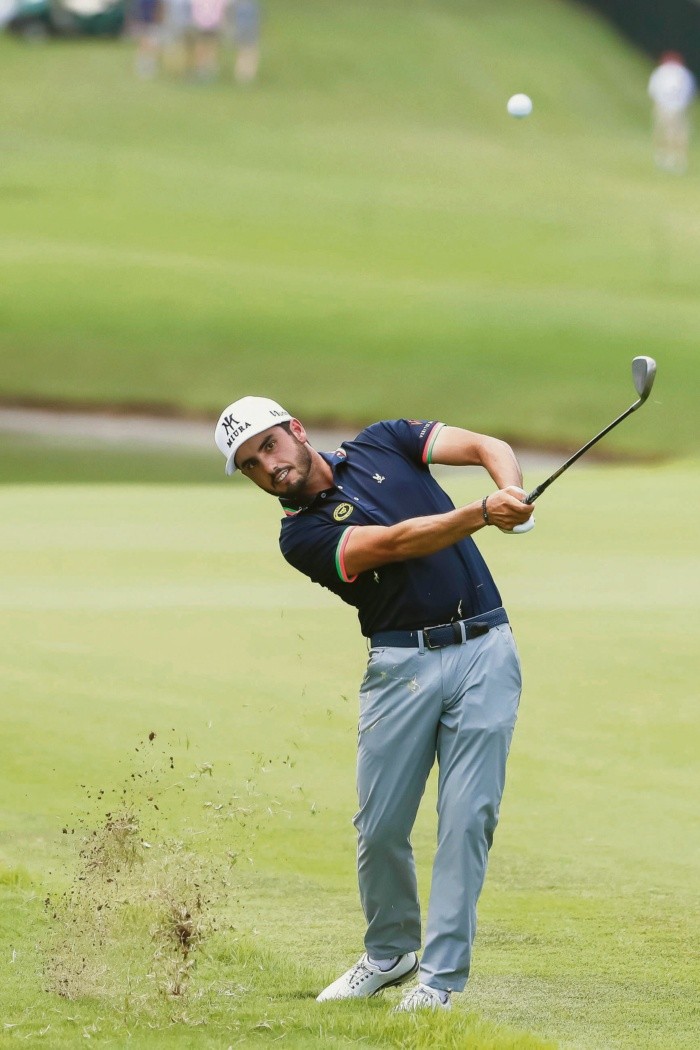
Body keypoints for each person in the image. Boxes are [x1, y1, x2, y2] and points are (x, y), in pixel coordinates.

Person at [214, 396, 534, 1012]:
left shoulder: (384, 440)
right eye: (251, 463)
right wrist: (481, 513)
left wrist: (511, 494)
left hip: (486, 650)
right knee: (381, 827)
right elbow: (394, 543)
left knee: (467, 819)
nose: (269, 466)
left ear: (296, 430)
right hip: (400, 667)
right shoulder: (300, 537)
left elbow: (484, 446)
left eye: (270, 445)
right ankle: (390, 952)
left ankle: (439, 982)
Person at [648, 52, 696, 173]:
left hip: (678, 107)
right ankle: (663, 156)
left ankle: (678, 158)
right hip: (664, 106)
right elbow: (654, 89)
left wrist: (680, 103)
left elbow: (688, 89)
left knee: (678, 133)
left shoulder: (682, 74)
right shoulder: (661, 73)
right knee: (663, 132)